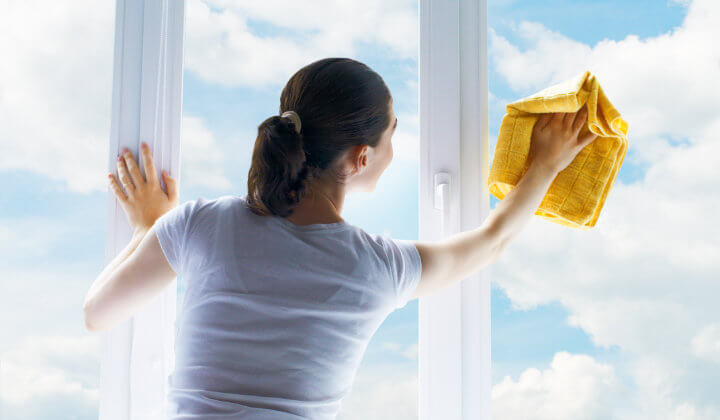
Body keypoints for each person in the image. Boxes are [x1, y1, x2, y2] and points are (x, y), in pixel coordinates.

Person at [83, 57, 597, 419]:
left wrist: (149, 227)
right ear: (361, 157)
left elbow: (97, 314)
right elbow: (492, 241)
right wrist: (545, 165)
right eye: (392, 133)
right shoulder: (376, 267)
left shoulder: (198, 224)